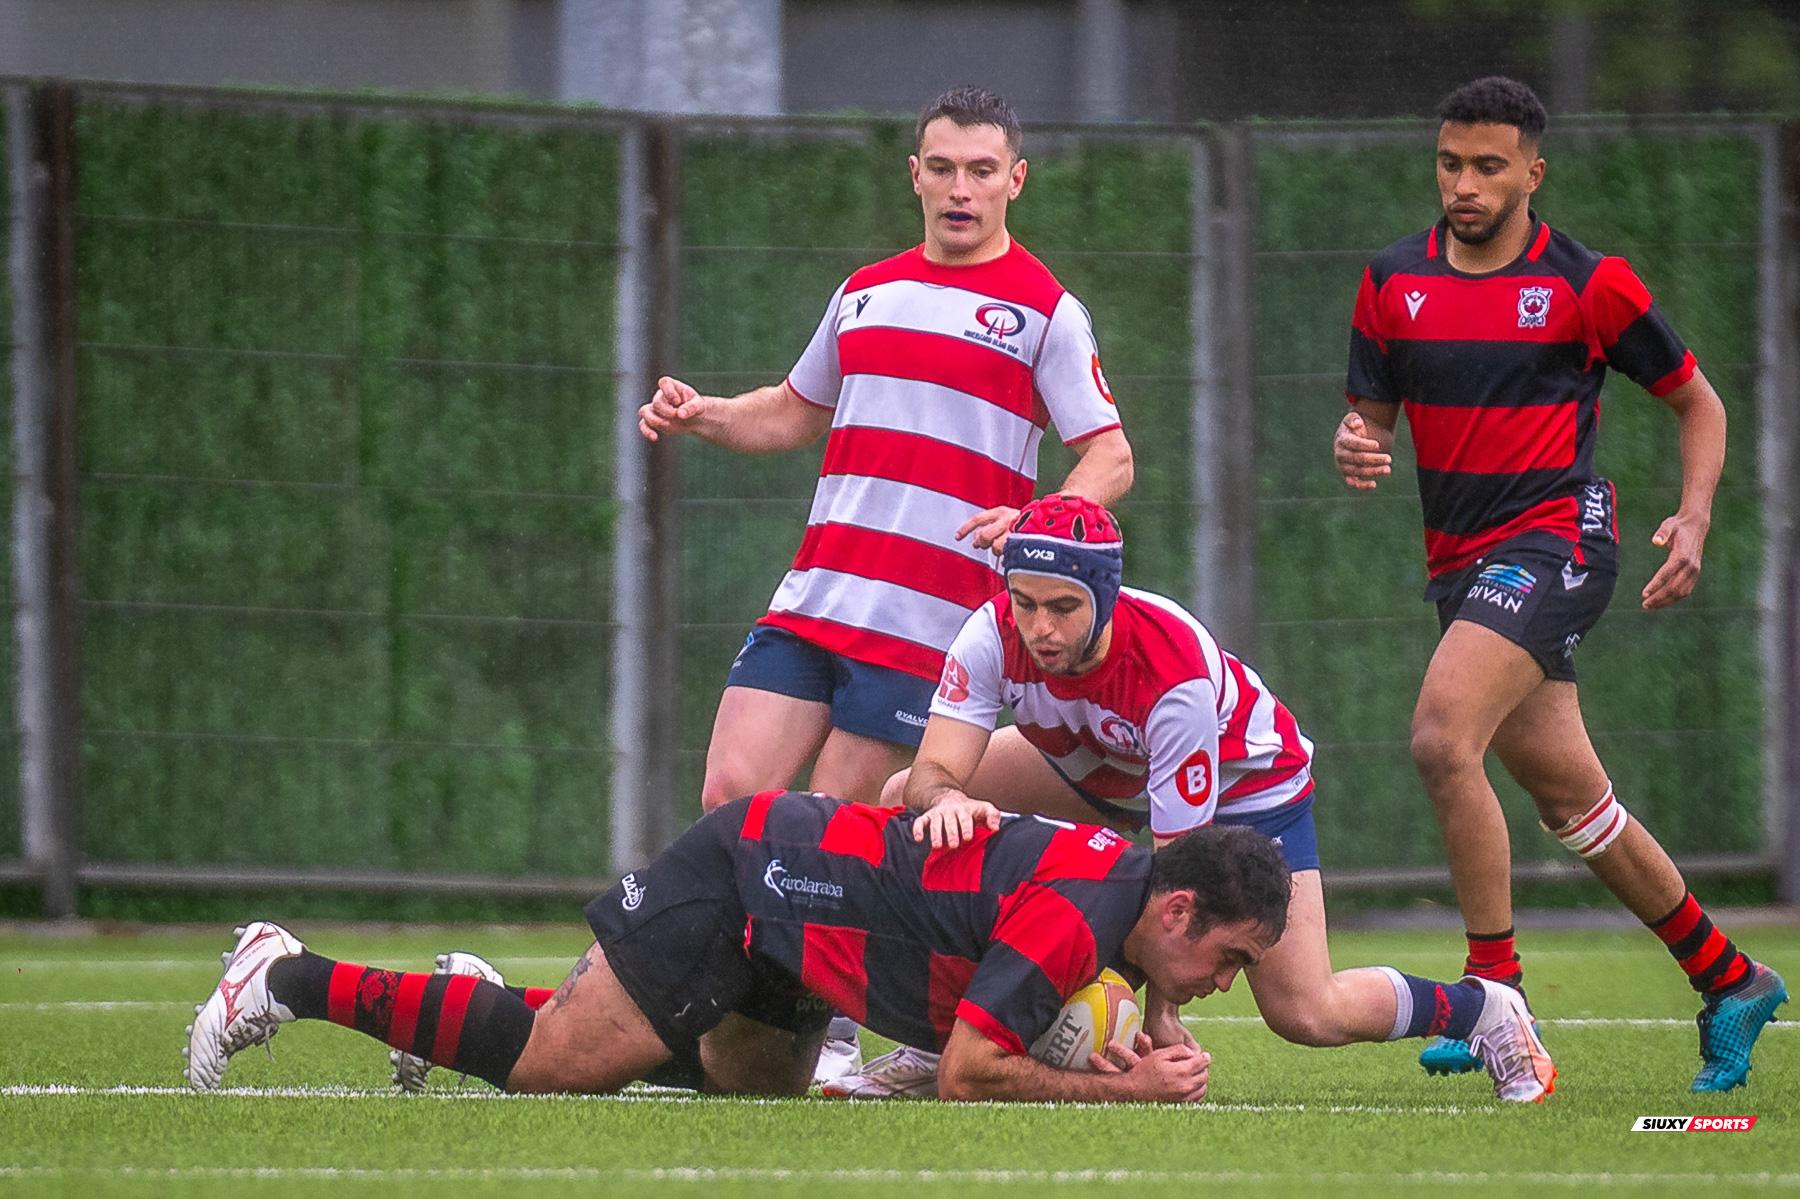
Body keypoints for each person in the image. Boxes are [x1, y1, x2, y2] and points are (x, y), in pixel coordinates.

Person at [1331, 75, 1786, 1091]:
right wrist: (1356, 443)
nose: (1465, 184)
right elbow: (1372, 421)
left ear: (1534, 172)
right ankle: (1733, 978)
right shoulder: (1391, 280)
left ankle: (1496, 993)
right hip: (1461, 566)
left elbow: (1698, 404)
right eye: (1451, 163)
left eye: (1489, 167)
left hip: (1557, 540)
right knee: (1580, 806)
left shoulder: (1591, 283)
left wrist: (1696, 514)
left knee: (1442, 738)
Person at [833, 494, 1556, 1104]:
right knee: (908, 801)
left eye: (1063, 606)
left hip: (1248, 790)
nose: (1041, 627)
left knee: (1305, 1009)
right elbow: (934, 772)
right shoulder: (991, 633)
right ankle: (937, 1036)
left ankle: (1483, 1007)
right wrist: (945, 800)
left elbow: (1179, 880)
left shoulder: (1171, 673)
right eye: (1025, 603)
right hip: (1098, 771)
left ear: (1106, 595)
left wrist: (1160, 1013)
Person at [637, 86, 1133, 815]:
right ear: (915, 175)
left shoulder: (1046, 312)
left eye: (982, 170)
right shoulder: (866, 291)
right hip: (815, 600)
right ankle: (736, 934)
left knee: (834, 826)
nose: (960, 189)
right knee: (730, 796)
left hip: (929, 626)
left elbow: (1111, 455)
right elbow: (790, 410)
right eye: (942, 168)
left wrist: (1040, 523)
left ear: (1015, 181)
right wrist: (706, 414)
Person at [186, 793, 1302, 1104]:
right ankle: (284, 973)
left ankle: (493, 997)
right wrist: (1124, 1093)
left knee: (750, 1081)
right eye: (1232, 959)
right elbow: (967, 1071)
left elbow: (1133, 954)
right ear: (1178, 911)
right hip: (754, 877)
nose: (1225, 985)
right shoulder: (1077, 918)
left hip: (805, 934)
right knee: (556, 1064)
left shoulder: (1128, 886)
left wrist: (1157, 1018)